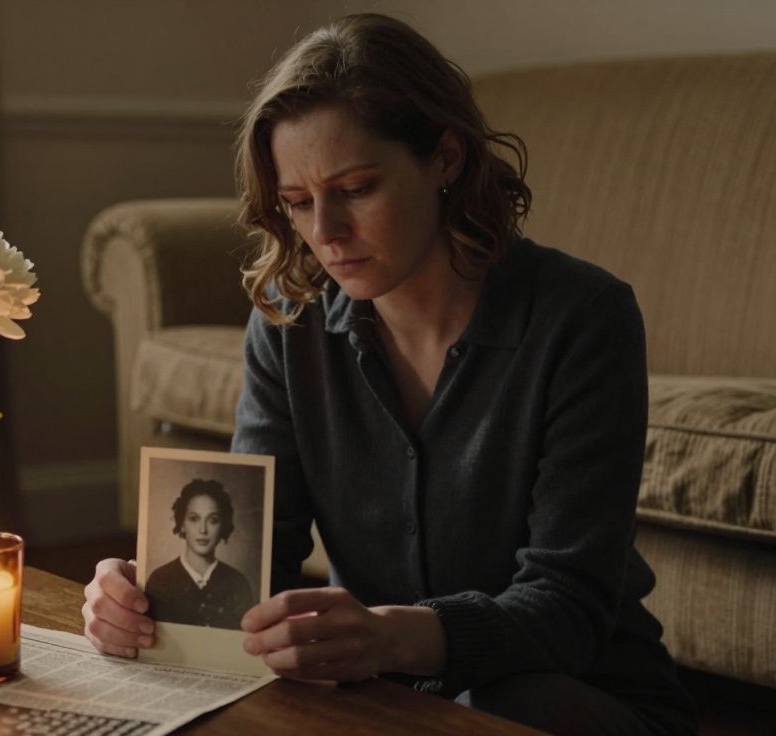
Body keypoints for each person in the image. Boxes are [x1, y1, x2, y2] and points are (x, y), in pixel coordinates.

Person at [82, 13, 696, 736]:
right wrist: (142, 601)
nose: (326, 233)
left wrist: (394, 637)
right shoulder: (290, 321)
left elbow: (568, 606)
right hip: (385, 697)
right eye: (298, 203)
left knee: (506, 707)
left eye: (357, 188)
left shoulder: (583, 317)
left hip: (575, 698)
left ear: (447, 160)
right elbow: (258, 557)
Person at [143, 479, 255, 629]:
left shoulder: (238, 583)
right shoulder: (160, 580)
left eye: (213, 520)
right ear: (182, 524)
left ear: (223, 525)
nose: (203, 530)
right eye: (194, 519)